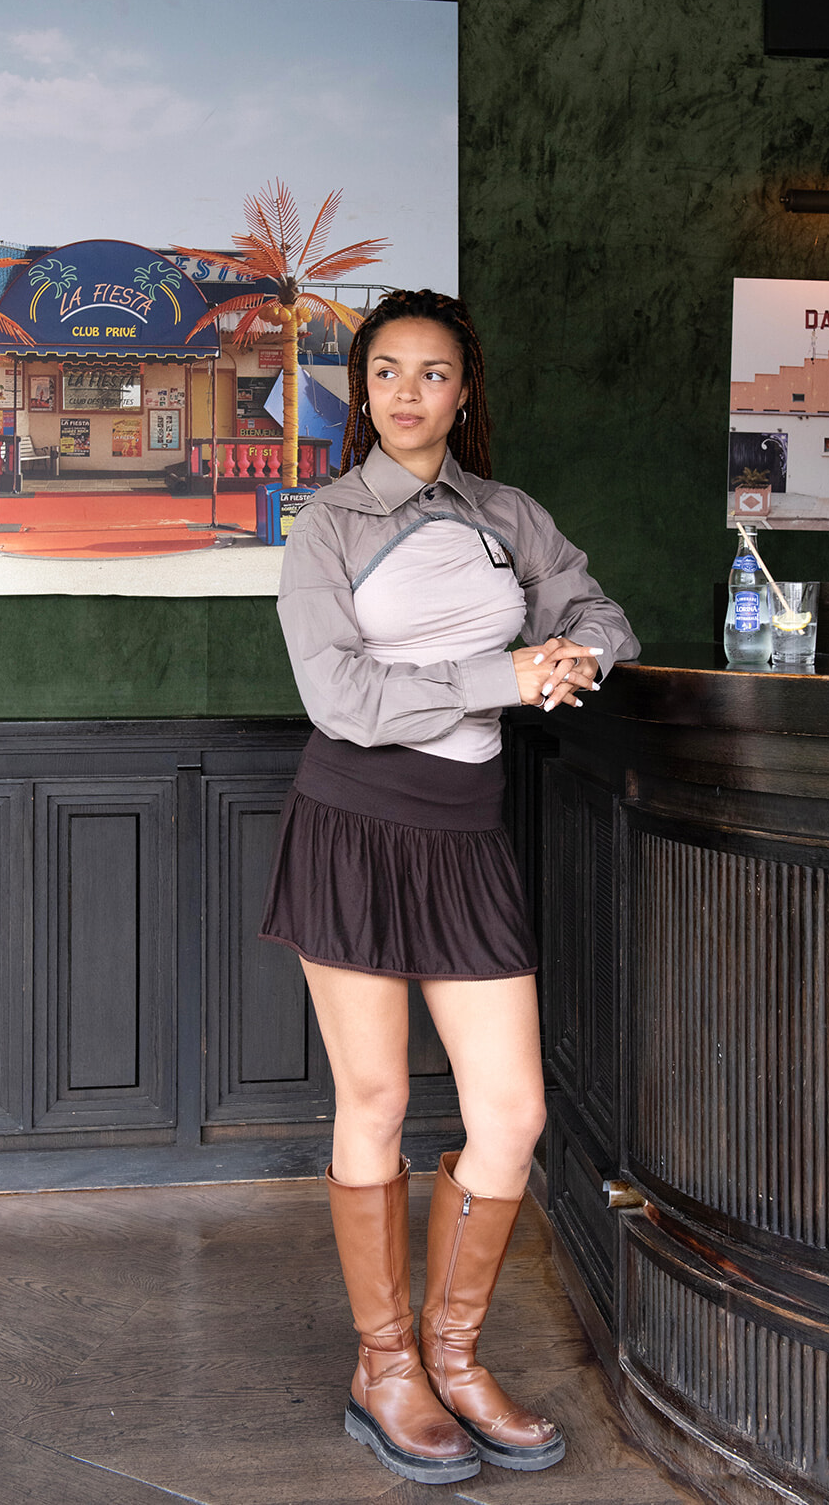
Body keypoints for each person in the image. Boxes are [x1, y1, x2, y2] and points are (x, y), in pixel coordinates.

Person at [261, 288, 638, 1486]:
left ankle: (455, 1358)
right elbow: (341, 698)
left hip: (467, 835)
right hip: (355, 824)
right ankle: (385, 1369)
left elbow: (601, 612)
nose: (408, 393)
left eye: (432, 373)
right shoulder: (327, 525)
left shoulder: (505, 515)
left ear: (464, 391)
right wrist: (503, 676)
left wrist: (576, 654)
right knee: (374, 1100)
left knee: (511, 1114)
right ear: (361, 389)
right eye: (385, 372)